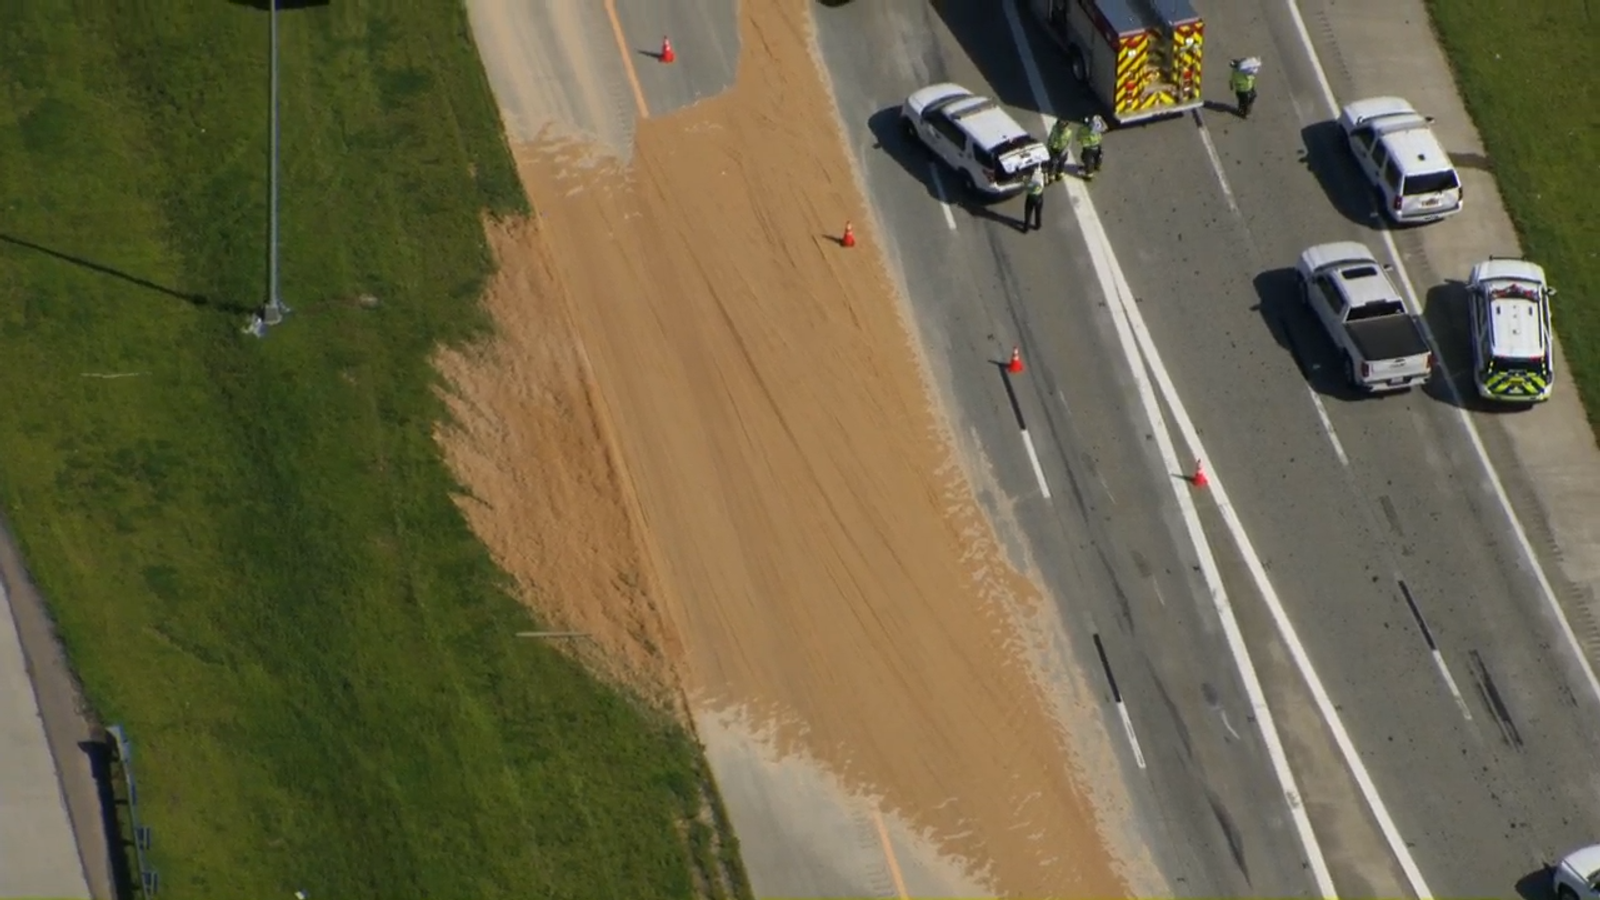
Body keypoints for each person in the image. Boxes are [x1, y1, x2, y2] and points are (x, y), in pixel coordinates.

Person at [1022, 164, 1046, 233]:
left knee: (1028, 213)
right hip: (1039, 196)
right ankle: (1037, 225)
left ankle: (1026, 228)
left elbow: (1025, 185)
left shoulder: (1027, 178)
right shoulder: (1039, 174)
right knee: (1038, 212)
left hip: (1031, 196)